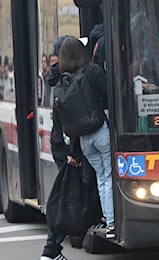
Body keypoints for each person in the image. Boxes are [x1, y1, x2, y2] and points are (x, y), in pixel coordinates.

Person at [58, 37, 114, 239]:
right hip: (101, 130)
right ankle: (112, 222)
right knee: (109, 175)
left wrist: (73, 150)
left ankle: (108, 218)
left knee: (101, 177)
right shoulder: (94, 71)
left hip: (83, 139)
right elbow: (111, 95)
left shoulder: (65, 79)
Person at [40, 35, 77, 260]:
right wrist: (73, 151)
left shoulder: (57, 79)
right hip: (65, 146)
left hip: (60, 144)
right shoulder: (68, 82)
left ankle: (52, 249)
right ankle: (50, 249)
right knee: (67, 196)